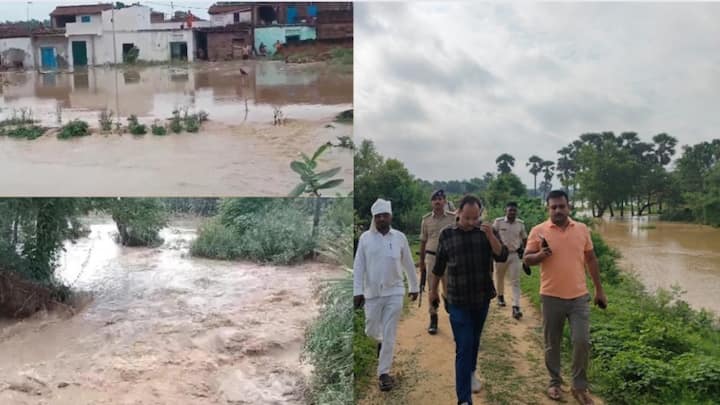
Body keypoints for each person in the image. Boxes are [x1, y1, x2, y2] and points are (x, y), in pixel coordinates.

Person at [523, 190, 607, 405]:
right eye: (554, 207)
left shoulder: (581, 229)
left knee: (581, 341)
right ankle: (554, 382)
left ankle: (579, 386)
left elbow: (591, 259)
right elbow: (527, 259)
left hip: (579, 297)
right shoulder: (538, 231)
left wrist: (599, 289)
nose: (558, 210)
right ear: (548, 208)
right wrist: (540, 255)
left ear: (569, 207)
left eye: (562, 206)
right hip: (551, 296)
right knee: (553, 342)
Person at [429, 195, 508, 405]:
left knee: (474, 341)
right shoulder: (447, 235)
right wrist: (433, 291)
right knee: (463, 346)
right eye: (467, 218)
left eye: (476, 218)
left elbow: (502, 256)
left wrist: (491, 235)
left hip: (481, 299)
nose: (472, 222)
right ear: (458, 213)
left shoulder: (486, 232)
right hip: (457, 301)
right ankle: (464, 399)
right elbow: (438, 266)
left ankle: (472, 371)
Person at [353, 198, 419, 392]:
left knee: (390, 333)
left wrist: (413, 286)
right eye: (378, 216)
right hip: (372, 293)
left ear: (391, 216)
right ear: (374, 218)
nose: (382, 218)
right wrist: (357, 291)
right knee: (371, 329)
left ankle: (383, 373)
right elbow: (359, 267)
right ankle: (380, 341)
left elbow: (408, 263)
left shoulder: (399, 237)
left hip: (395, 291)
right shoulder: (365, 238)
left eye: (385, 215)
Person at [419, 189, 456, 334]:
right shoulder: (426, 220)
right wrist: (421, 263)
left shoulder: (452, 218)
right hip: (431, 257)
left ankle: (446, 299)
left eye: (440, 199)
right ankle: (433, 318)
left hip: (448, 258)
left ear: (445, 201)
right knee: (431, 289)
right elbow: (423, 241)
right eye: (434, 199)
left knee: (448, 286)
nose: (437, 201)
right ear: (431, 202)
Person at [492, 201, 528, 319]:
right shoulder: (498, 222)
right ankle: (500, 296)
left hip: (514, 255)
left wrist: (524, 251)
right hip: (501, 255)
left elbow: (524, 238)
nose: (512, 212)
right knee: (499, 276)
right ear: (505, 211)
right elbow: (492, 233)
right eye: (510, 210)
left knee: (515, 281)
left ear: (516, 211)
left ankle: (516, 306)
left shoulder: (520, 224)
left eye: (514, 210)